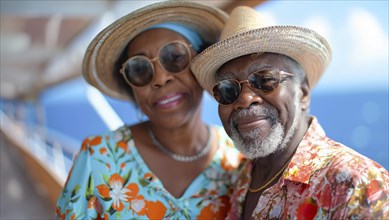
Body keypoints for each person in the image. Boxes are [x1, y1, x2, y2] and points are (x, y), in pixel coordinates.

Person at [191, 6, 389, 219]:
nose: (245, 99)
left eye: (265, 80)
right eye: (227, 89)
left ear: (303, 93)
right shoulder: (238, 178)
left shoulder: (356, 183)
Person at [56, 1, 243, 219]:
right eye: (139, 69)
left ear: (201, 63)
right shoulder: (98, 158)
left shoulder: (238, 161)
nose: (161, 78)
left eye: (175, 57)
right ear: (131, 87)